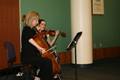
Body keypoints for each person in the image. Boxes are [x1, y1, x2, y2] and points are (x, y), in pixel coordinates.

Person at [21, 11, 54, 80]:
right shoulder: (26, 29)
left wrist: (40, 49)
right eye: (36, 20)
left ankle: (39, 77)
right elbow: (30, 39)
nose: (37, 22)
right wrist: (40, 48)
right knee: (47, 62)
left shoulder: (32, 30)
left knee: (48, 61)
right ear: (31, 19)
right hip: (28, 57)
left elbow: (37, 40)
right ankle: (41, 77)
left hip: (34, 55)